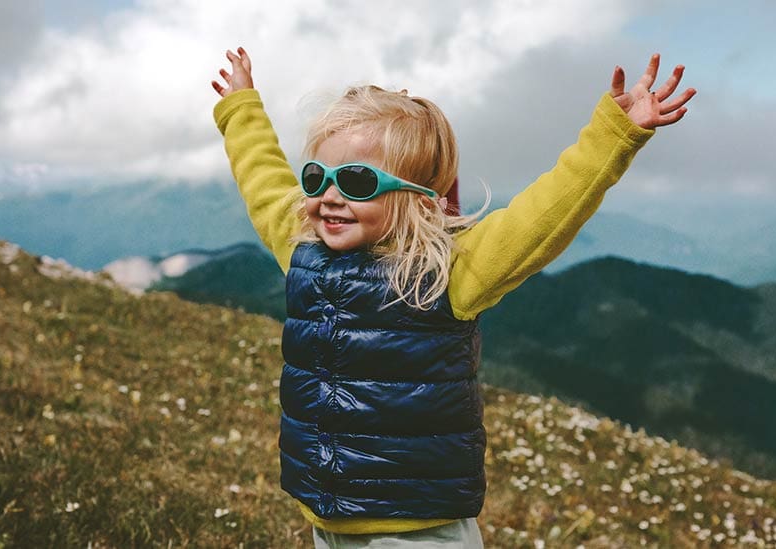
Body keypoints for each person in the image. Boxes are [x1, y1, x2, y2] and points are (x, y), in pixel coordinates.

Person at [211, 46, 694, 548]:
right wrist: (242, 107)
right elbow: (263, 180)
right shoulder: (303, 250)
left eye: (356, 181)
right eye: (317, 176)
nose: (328, 196)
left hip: (420, 532)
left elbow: (545, 215)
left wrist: (614, 135)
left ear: (417, 195)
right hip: (328, 522)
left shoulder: (447, 273)